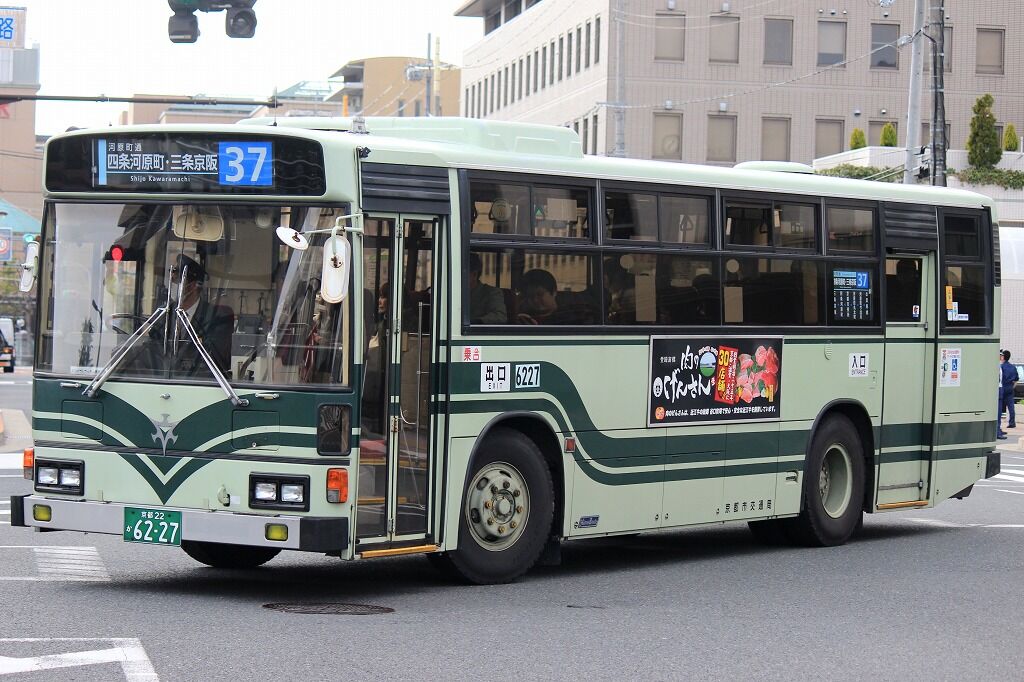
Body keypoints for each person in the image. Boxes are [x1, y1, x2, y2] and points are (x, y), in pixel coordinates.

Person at [169, 254, 234, 376]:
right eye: (172, 281)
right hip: (163, 381)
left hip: (201, 384)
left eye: (177, 282)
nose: (172, 287)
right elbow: (154, 349)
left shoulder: (216, 317)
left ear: (192, 286)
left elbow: (217, 359)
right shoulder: (165, 313)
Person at [516, 268, 594, 325]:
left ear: (554, 292)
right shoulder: (523, 319)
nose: (535, 300)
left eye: (540, 294)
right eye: (530, 296)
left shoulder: (575, 315)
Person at [468, 252, 508, 324]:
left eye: (459, 273)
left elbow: (500, 316)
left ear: (474, 274)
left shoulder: (492, 293)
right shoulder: (454, 293)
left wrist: (477, 322)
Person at [998, 349, 1018, 439]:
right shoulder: (1013, 367)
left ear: (1003, 357)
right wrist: (1012, 387)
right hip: (1010, 387)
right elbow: (1016, 379)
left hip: (1002, 388)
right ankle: (1012, 423)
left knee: (1000, 408)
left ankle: (998, 427)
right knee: (1011, 406)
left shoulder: (1001, 367)